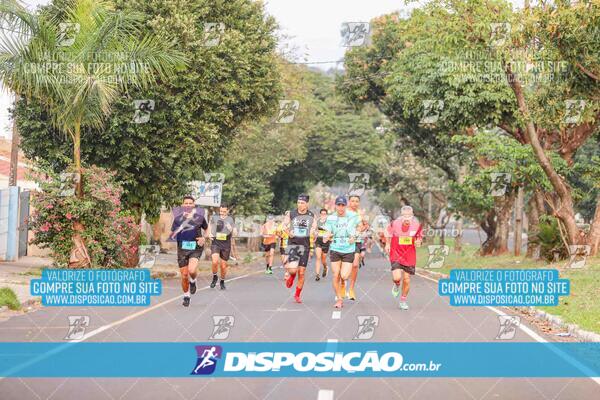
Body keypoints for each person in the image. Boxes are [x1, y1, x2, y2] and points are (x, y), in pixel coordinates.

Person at [169, 196, 208, 307]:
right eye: (186, 203)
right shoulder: (177, 219)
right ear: (183, 205)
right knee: (184, 275)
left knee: (191, 270)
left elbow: (207, 228)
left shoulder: (200, 218)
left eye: (190, 203)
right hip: (182, 249)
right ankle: (186, 296)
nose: (188, 205)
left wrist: (204, 238)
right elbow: (172, 234)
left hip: (196, 247)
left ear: (193, 205)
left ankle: (193, 280)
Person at [323, 196, 360, 309]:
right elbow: (328, 231)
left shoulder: (352, 216)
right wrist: (326, 236)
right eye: (338, 205)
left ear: (346, 205)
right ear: (335, 205)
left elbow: (359, 228)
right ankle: (339, 299)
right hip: (335, 248)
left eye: (343, 205)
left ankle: (343, 283)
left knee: (344, 275)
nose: (340, 207)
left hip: (348, 249)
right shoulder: (331, 218)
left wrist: (355, 236)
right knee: (335, 274)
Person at [385, 205, 423, 310]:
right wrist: (387, 244)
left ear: (412, 216)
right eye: (404, 216)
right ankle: (397, 285)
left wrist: (418, 242)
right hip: (396, 253)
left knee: (406, 279)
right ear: (401, 216)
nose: (407, 218)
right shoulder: (395, 224)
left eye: (409, 216)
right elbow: (388, 233)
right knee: (397, 278)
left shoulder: (416, 226)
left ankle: (403, 300)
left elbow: (419, 239)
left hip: (409, 255)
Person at [282, 194, 317, 303]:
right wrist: (289, 232)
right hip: (293, 245)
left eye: (302, 203)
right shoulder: (291, 214)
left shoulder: (312, 215)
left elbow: (314, 228)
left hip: (305, 246)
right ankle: (291, 276)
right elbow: (284, 225)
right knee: (293, 270)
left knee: (301, 272)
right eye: (298, 202)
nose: (299, 205)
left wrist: (313, 232)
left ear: (307, 204)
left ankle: (297, 295)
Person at [208, 204, 236, 290]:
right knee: (215, 261)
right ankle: (215, 276)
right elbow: (209, 226)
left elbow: (235, 233)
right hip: (216, 243)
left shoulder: (231, 219)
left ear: (227, 211)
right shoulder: (215, 217)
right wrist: (209, 233)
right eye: (221, 211)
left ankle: (222, 281)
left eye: (224, 211)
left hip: (226, 245)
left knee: (223, 266)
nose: (222, 213)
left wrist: (230, 228)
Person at [346, 195, 369, 301]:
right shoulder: (344, 213)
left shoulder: (361, 214)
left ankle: (351, 289)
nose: (354, 203)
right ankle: (342, 285)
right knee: (344, 268)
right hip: (344, 243)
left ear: (359, 203)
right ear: (349, 202)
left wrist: (361, 229)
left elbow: (366, 226)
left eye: (356, 201)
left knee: (355, 265)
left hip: (357, 242)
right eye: (352, 201)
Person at [314, 208, 330, 281]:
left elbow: (330, 231)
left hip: (326, 241)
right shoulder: (317, 222)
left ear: (326, 215)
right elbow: (315, 230)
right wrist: (315, 234)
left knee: (323, 259)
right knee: (318, 257)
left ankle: (325, 267)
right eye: (322, 214)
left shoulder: (329, 222)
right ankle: (317, 274)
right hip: (318, 240)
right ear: (320, 214)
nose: (323, 215)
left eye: (324, 214)